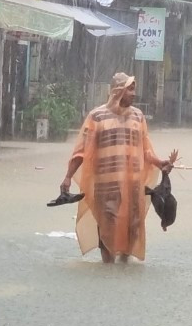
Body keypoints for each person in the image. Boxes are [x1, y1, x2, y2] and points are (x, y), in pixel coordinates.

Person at [60, 73, 179, 264]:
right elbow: (82, 151)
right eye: (130, 89)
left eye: (134, 89)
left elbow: (145, 150)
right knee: (107, 226)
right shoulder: (97, 117)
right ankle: (108, 269)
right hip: (106, 185)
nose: (134, 93)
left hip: (133, 185)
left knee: (133, 226)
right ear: (118, 91)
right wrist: (68, 177)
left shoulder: (138, 117)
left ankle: (124, 268)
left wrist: (159, 163)